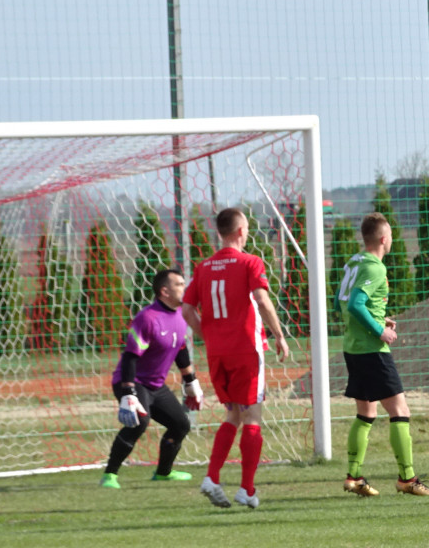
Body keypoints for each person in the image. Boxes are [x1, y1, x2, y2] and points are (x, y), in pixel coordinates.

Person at [181, 207, 290, 509]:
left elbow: (187, 311)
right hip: (246, 349)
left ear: (220, 232)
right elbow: (262, 300)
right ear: (241, 231)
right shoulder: (250, 262)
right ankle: (247, 489)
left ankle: (212, 478)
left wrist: (209, 335)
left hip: (218, 354)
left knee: (233, 415)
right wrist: (279, 335)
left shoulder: (203, 268)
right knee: (252, 417)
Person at [338, 213, 429, 498]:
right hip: (372, 351)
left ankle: (354, 477)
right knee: (400, 411)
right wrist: (379, 330)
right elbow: (357, 305)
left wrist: (380, 318)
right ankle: (407, 478)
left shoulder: (353, 263)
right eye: (391, 235)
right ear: (384, 239)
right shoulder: (375, 268)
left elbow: (341, 302)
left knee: (365, 413)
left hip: (352, 347)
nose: (392, 239)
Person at [101, 269, 204, 489]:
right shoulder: (147, 318)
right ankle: (110, 475)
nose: (184, 288)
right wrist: (128, 393)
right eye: (179, 284)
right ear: (164, 291)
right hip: (131, 380)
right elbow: (130, 357)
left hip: (156, 386)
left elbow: (180, 348)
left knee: (180, 424)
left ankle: (163, 473)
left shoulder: (180, 315)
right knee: (139, 421)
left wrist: (190, 381)